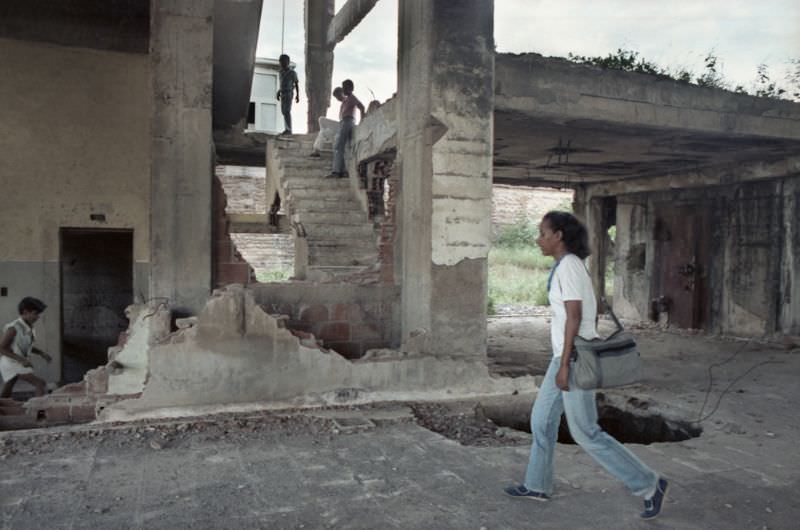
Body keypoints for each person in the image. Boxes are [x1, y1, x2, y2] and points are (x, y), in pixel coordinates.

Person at [504, 211, 668, 521]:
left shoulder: (569, 266)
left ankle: (649, 483)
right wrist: (559, 361)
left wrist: (565, 364)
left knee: (585, 432)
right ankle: (536, 485)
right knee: (541, 421)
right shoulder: (565, 266)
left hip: (574, 359)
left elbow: (575, 317)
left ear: (559, 236)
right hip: (563, 357)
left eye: (542, 233)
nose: (538, 239)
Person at [1, 297, 51, 398]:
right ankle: (39, 411)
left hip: (17, 362)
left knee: (8, 387)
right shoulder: (13, 328)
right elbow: (1, 348)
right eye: (35, 313)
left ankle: (2, 408)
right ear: (25, 312)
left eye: (38, 314)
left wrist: (41, 353)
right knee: (40, 383)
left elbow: (26, 346)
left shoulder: (29, 327)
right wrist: (21, 360)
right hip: (11, 362)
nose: (37, 317)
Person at [327, 79, 365, 178]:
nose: (343, 89)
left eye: (345, 88)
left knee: (338, 146)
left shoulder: (352, 98)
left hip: (348, 121)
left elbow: (362, 107)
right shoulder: (346, 100)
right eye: (343, 87)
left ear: (350, 88)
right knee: (344, 147)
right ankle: (343, 171)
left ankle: (336, 171)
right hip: (344, 122)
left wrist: (362, 121)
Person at [311, 87, 346, 157]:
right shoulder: (342, 104)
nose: (338, 98)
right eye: (337, 97)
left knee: (321, 119)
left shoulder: (347, 101)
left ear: (343, 93)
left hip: (343, 127)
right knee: (323, 132)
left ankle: (324, 135)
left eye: (339, 96)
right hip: (339, 129)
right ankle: (316, 151)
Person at [276, 54, 300, 135]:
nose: (282, 63)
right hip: (282, 93)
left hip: (289, 93)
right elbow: (282, 84)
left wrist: (297, 95)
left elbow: (296, 83)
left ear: (288, 62)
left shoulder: (292, 73)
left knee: (287, 111)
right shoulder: (281, 72)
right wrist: (279, 92)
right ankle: (286, 128)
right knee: (283, 111)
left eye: (284, 62)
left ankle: (289, 129)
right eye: (281, 62)